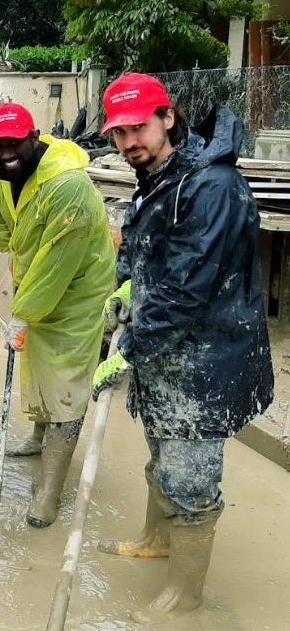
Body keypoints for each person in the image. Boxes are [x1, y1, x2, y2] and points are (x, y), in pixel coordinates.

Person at [91, 73, 274, 623]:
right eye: (119, 134)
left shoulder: (212, 186)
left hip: (207, 359)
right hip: (164, 351)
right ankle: (156, 539)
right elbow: (148, 255)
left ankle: (187, 594)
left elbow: (190, 284)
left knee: (191, 478)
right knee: (161, 456)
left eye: (138, 128)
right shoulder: (157, 177)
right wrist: (125, 289)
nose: (128, 144)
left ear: (168, 117)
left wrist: (131, 348)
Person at [0, 102, 114, 527]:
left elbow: (56, 262)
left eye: (15, 143)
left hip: (77, 291)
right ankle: (37, 436)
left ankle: (49, 490)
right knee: (37, 366)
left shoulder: (69, 187)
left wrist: (24, 313)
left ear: (35, 137)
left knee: (65, 380)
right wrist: (11, 239)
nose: (7, 152)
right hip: (35, 282)